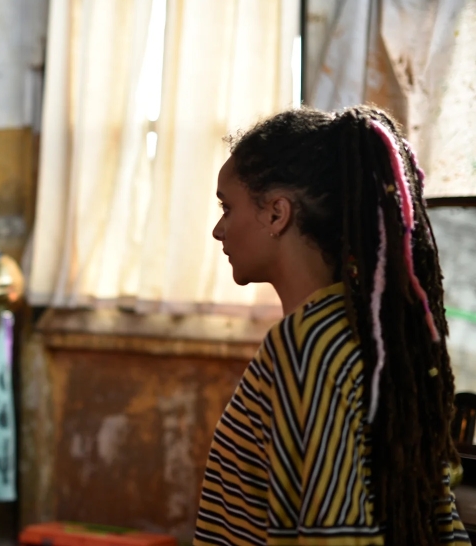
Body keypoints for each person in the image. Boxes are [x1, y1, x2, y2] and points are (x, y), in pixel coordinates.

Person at [195, 105, 470, 545]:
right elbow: (440, 519)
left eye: (227, 207)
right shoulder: (374, 340)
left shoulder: (308, 345)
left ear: (276, 214)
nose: (218, 230)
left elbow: (334, 531)